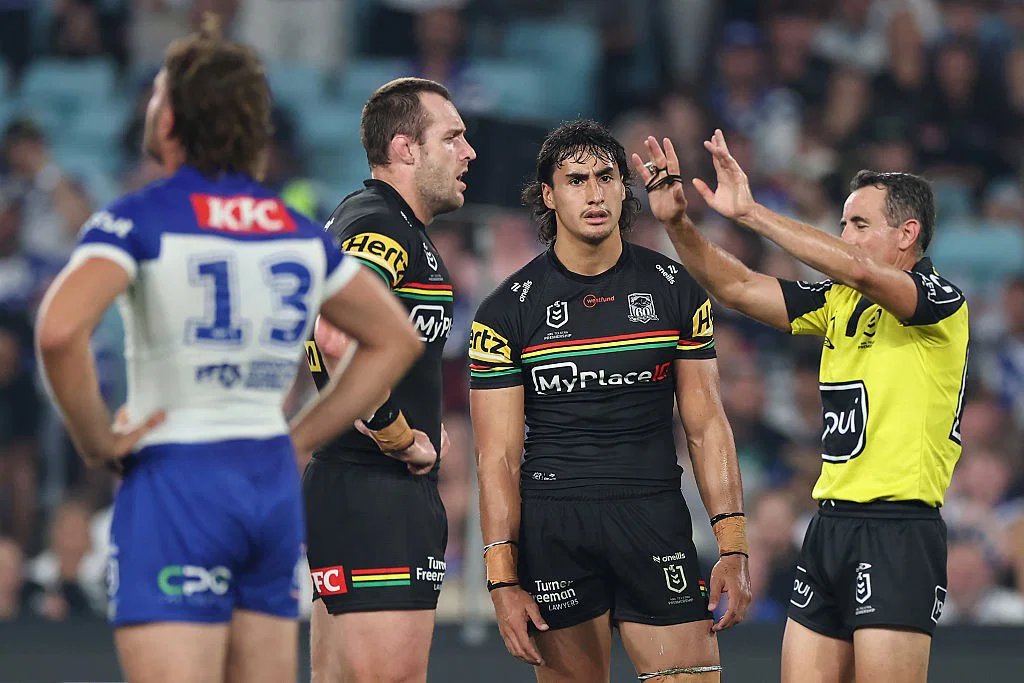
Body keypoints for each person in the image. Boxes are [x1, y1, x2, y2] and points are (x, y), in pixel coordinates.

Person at [34, 29, 424, 683]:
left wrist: (98, 440)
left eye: (158, 95)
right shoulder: (296, 231)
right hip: (267, 484)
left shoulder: (139, 218)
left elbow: (57, 332)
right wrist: (300, 436)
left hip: (176, 478)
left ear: (171, 120)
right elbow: (396, 339)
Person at [633, 130, 968, 683]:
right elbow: (738, 287)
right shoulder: (839, 301)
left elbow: (860, 269)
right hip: (829, 524)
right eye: (843, 224)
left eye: (859, 224)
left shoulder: (940, 302)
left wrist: (752, 213)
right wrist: (678, 224)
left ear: (907, 234)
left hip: (898, 528)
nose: (845, 236)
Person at [469, 119, 751, 683]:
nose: (594, 194)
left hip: (652, 513)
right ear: (549, 195)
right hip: (556, 525)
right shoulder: (505, 312)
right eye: (576, 181)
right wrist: (501, 579)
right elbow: (496, 457)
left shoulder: (675, 289)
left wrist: (734, 544)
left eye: (606, 177)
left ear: (626, 188)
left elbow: (706, 425)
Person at [302, 76, 475, 682]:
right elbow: (333, 335)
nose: (468, 152)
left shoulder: (379, 221)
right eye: (451, 137)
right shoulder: (380, 223)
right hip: (376, 493)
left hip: (354, 487)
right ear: (405, 148)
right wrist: (398, 434)